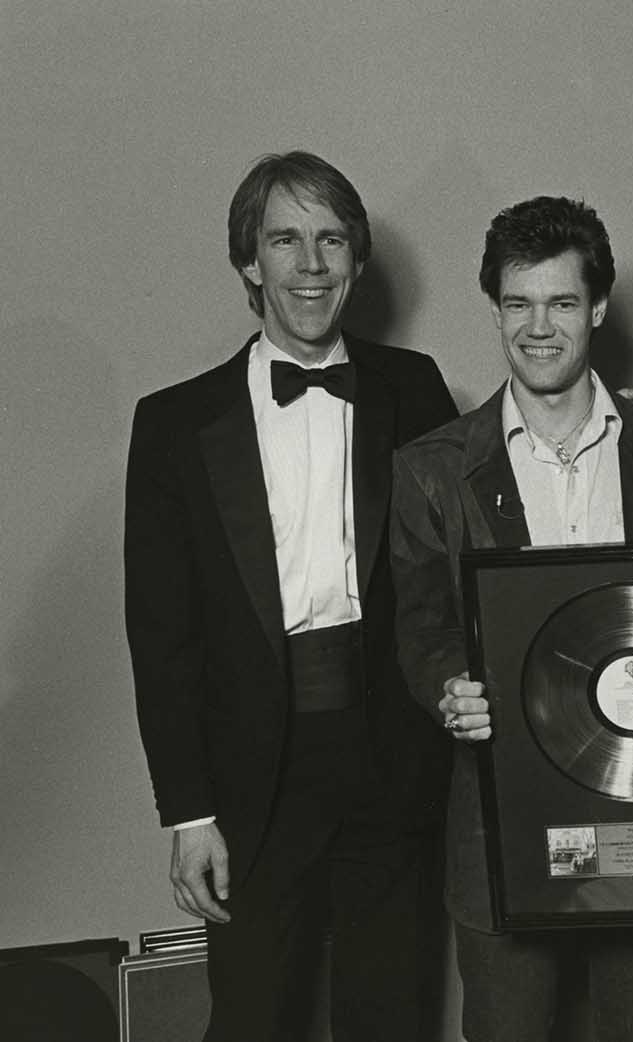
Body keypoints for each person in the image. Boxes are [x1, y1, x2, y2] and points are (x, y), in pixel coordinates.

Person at [123, 151, 456, 1042]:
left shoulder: (414, 388)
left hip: (390, 756)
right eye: (285, 240)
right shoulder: (174, 424)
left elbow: (471, 560)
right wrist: (188, 813)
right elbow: (160, 636)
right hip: (250, 776)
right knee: (254, 1017)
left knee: (392, 1015)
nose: (311, 264)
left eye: (331, 240)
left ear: (356, 261)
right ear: (249, 263)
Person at [389, 195, 633, 1042]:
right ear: (496, 310)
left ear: (598, 307)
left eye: (560, 302)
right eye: (518, 304)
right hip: (499, 816)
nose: (538, 326)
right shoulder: (432, 469)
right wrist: (449, 687)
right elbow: (421, 621)